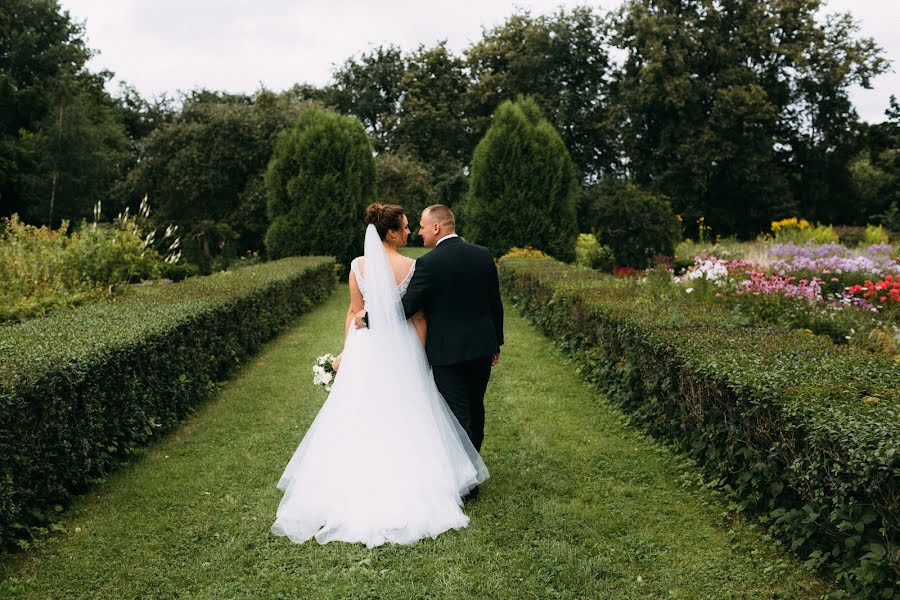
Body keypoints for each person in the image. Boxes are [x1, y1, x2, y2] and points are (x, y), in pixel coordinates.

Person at [271, 204, 488, 549]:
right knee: (405, 413)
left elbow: (354, 312)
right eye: (404, 227)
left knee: (358, 414)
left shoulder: (358, 266)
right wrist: (422, 359)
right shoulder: (413, 266)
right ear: (390, 232)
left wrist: (347, 351)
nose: (408, 232)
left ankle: (351, 483)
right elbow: (418, 318)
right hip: (401, 348)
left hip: (365, 349)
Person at [359, 204, 503, 503]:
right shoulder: (483, 254)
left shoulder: (429, 263)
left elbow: (407, 306)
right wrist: (496, 343)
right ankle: (471, 471)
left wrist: (369, 318)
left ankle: (468, 484)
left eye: (423, 227)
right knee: (476, 408)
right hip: (481, 348)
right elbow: (495, 303)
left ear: (437, 228)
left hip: (446, 353)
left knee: (457, 414)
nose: (419, 232)